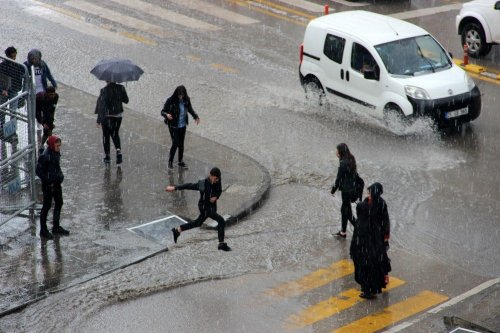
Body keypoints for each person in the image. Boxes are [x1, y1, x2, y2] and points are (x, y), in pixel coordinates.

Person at [165, 167, 231, 251]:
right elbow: (189, 185)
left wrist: (216, 197)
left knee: (197, 223)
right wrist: (175, 188)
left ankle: (178, 230)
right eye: (215, 179)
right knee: (221, 220)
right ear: (210, 176)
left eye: (217, 179)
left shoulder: (218, 180)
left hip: (212, 207)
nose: (216, 180)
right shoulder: (203, 184)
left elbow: (219, 190)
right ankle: (221, 244)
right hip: (204, 207)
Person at [350, 182, 390, 299]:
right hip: (374, 240)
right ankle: (372, 288)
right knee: (374, 263)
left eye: (369, 192)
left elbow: (359, 221)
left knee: (365, 265)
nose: (368, 194)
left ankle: (368, 290)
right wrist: (385, 237)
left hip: (366, 240)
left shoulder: (364, 206)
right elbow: (385, 221)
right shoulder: (379, 203)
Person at [35, 135, 69, 240]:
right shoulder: (45, 156)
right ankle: (43, 230)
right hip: (48, 185)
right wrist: (48, 180)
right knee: (47, 206)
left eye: (60, 145)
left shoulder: (56, 153)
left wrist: (60, 176)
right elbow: (38, 171)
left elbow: (57, 167)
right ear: (52, 145)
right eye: (57, 145)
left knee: (59, 202)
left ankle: (56, 226)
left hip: (56, 183)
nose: (59, 147)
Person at [24, 49, 57, 148]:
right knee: (34, 109)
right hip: (31, 91)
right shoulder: (26, 65)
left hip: (41, 89)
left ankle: (43, 125)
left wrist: (53, 83)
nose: (34, 60)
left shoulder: (42, 64)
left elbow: (48, 74)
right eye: (32, 58)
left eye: (36, 58)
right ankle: (37, 124)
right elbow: (23, 78)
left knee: (43, 108)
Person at [161, 85, 200, 170]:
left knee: (181, 144)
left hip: (182, 125)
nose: (180, 97)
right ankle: (170, 161)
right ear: (176, 94)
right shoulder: (170, 101)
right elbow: (162, 111)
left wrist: (196, 116)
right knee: (175, 143)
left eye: (182, 95)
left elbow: (190, 109)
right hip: (173, 126)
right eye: (179, 95)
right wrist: (167, 115)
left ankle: (180, 161)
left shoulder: (186, 100)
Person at [95, 81, 129, 165]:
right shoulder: (121, 88)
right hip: (118, 116)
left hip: (107, 117)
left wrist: (99, 120)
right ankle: (118, 151)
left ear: (106, 80)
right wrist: (120, 95)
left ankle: (107, 157)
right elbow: (126, 100)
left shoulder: (104, 90)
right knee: (115, 133)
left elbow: (101, 106)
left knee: (106, 136)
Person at [331, 143, 358, 238]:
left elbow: (338, 179)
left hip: (346, 191)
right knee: (345, 210)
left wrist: (333, 190)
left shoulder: (343, 163)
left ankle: (360, 229)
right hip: (352, 188)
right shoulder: (351, 158)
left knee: (347, 212)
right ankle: (343, 232)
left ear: (340, 151)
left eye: (337, 150)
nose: (336, 151)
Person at [36, 86, 59, 152]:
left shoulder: (56, 97)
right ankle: (42, 145)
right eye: (51, 95)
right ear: (46, 94)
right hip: (37, 106)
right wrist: (43, 123)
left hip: (46, 108)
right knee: (45, 126)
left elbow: (52, 110)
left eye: (53, 94)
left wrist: (51, 122)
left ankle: (46, 144)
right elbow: (43, 112)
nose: (52, 96)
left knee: (49, 127)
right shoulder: (42, 98)